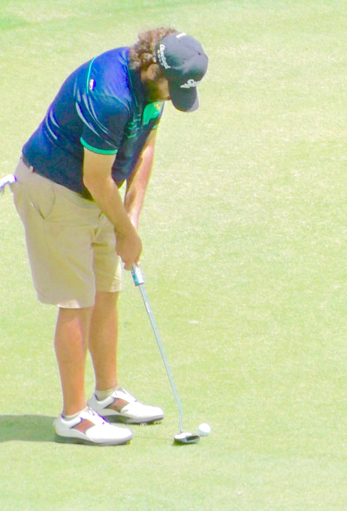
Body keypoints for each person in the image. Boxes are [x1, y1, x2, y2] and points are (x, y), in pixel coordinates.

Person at [10, 28, 208, 445]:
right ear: (155, 70)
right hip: (55, 189)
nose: (173, 98)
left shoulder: (154, 87)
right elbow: (96, 178)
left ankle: (106, 395)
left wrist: (130, 221)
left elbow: (146, 143)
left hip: (94, 194)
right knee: (76, 301)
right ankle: (73, 415)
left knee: (106, 291)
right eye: (173, 89)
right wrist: (124, 230)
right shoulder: (112, 97)